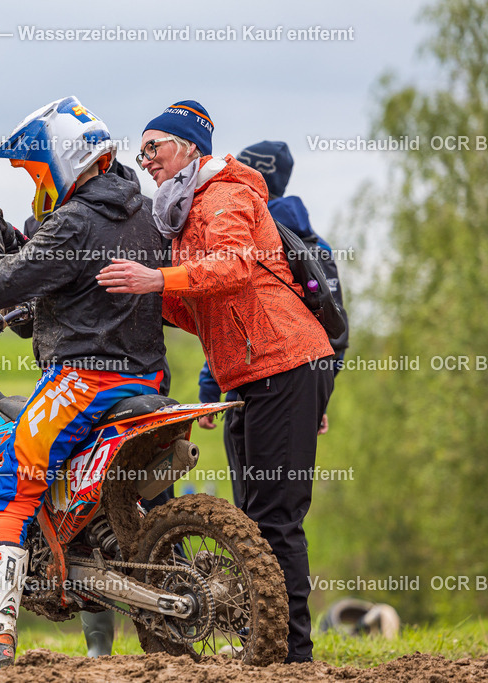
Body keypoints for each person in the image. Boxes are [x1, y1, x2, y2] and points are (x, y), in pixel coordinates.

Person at [96, 101, 334, 663]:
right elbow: (199, 307)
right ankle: (270, 642)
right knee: (252, 519)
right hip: (247, 375)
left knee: (276, 518)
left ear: (189, 148)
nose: (146, 159)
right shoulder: (183, 210)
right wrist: (142, 297)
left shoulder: (226, 194)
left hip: (283, 362)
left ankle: (291, 653)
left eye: (154, 146)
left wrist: (158, 276)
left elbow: (233, 266)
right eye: (142, 150)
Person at [0, 96, 168, 670]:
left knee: (7, 490)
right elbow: (83, 293)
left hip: (86, 383)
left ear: (65, 162)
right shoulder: (141, 211)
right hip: (145, 377)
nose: (35, 185)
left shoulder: (74, 219)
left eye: (35, 171)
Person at [197, 140, 350, 507]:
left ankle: (255, 566)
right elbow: (334, 327)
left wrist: (209, 385)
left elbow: (238, 315)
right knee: (283, 512)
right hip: (302, 382)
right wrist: (318, 398)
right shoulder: (316, 245)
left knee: (252, 508)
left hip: (253, 379)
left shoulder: (254, 230)